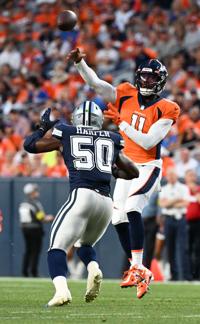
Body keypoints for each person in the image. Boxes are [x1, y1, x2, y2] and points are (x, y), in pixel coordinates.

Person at [66, 48, 180, 298]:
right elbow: (96, 84)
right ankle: (137, 268)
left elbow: (149, 141)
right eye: (144, 76)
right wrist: (80, 63)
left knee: (132, 209)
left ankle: (138, 267)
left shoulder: (168, 107)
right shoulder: (126, 92)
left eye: (152, 77)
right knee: (117, 219)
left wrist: (121, 123)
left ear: (160, 80)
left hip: (148, 166)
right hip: (127, 167)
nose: (146, 81)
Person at [23, 102, 139, 306]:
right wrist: (112, 170)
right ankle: (93, 267)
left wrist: (42, 128)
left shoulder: (66, 131)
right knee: (84, 244)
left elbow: (30, 146)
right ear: (98, 120)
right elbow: (133, 172)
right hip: (105, 202)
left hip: (82, 194)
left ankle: (61, 291)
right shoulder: (111, 138)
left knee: (56, 247)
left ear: (76, 118)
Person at [159, 168, 191, 280]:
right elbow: (163, 204)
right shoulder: (163, 189)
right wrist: (177, 200)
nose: (171, 177)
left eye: (173, 175)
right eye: (169, 175)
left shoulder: (183, 188)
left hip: (180, 219)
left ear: (177, 176)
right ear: (167, 177)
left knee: (183, 248)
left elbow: (186, 203)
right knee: (170, 248)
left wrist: (170, 202)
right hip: (168, 219)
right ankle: (174, 275)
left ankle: (186, 276)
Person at [19, 183, 53, 277]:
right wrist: (50, 218)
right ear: (31, 193)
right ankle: (33, 272)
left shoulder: (23, 204)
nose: (37, 192)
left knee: (28, 250)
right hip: (35, 229)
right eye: (35, 191)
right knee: (35, 251)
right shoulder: (35, 203)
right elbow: (41, 217)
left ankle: (24, 271)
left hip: (25, 229)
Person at [185, 169, 200, 280]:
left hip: (197, 223)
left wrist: (195, 192)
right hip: (184, 222)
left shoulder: (198, 189)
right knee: (186, 249)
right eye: (190, 176)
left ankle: (197, 275)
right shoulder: (182, 189)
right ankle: (187, 274)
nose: (192, 178)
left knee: (197, 249)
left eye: (193, 176)